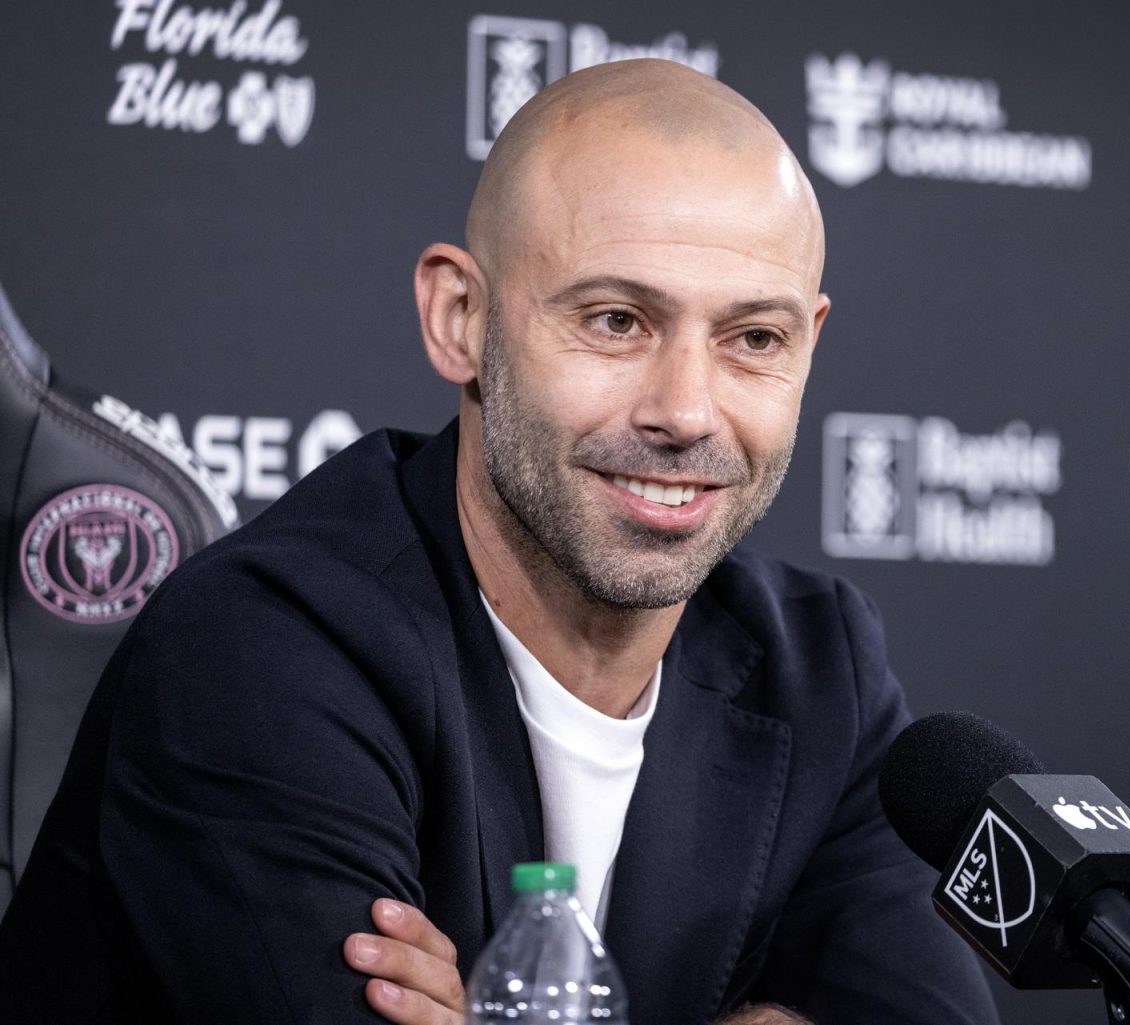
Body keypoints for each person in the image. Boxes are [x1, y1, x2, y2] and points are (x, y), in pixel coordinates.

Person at [0, 60, 1000, 1025]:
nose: (687, 411)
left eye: (754, 338)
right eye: (617, 319)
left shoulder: (821, 661)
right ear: (459, 317)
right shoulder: (257, 647)